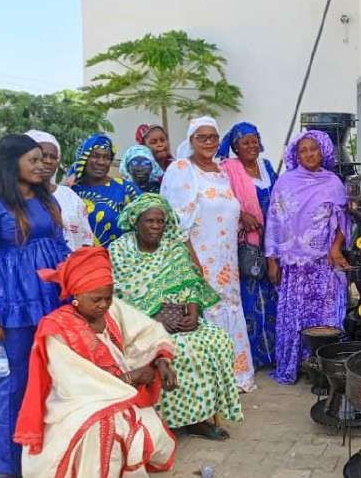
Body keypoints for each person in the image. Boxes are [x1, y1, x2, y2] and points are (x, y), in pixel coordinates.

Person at [0, 134, 71, 477]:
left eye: (43, 159)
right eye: (33, 160)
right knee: (15, 381)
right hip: (14, 305)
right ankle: (7, 464)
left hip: (51, 299)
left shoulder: (46, 200)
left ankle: (45, 456)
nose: (42, 165)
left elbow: (60, 249)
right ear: (12, 164)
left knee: (54, 375)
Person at [14, 247, 178, 477]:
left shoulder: (112, 309)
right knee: (104, 424)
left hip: (119, 392)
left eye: (108, 298)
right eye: (96, 299)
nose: (103, 305)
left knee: (136, 426)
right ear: (77, 295)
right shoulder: (57, 328)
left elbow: (147, 331)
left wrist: (162, 362)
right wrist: (131, 377)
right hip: (77, 403)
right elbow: (75, 384)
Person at [109, 194, 244, 439]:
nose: (156, 226)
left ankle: (199, 417)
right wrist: (153, 319)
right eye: (149, 221)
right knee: (179, 350)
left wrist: (192, 312)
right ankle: (160, 421)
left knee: (217, 341)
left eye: (160, 221)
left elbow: (191, 285)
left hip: (178, 318)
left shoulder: (173, 247)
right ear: (136, 222)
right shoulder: (120, 250)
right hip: (139, 324)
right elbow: (120, 295)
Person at [161, 116, 257, 391]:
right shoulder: (182, 170)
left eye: (213, 137)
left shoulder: (222, 171)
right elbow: (176, 222)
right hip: (198, 258)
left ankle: (233, 376)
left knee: (228, 307)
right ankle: (208, 382)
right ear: (191, 141)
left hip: (226, 259)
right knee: (203, 311)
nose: (208, 142)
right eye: (201, 137)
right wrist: (192, 261)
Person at [265, 130, 351, 384]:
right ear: (296, 155)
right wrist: (272, 260)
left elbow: (344, 221)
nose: (309, 154)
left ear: (323, 151)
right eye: (303, 150)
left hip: (324, 265)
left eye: (313, 149)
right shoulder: (285, 183)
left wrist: (336, 247)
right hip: (294, 267)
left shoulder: (333, 183)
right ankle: (297, 364)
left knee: (326, 316)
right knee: (296, 316)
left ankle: (325, 370)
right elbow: (274, 223)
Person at [218, 122, 279, 368]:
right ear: (235, 147)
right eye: (246, 143)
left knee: (273, 293)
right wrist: (242, 214)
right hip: (247, 243)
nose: (252, 146)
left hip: (272, 238)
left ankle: (274, 353)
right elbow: (224, 201)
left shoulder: (267, 167)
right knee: (250, 296)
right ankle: (254, 356)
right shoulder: (228, 170)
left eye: (255, 141)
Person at [24, 130, 94, 250]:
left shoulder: (70, 196)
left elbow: (86, 240)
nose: (48, 161)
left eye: (53, 157)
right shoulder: (17, 197)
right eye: (43, 156)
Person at [69, 134, 141, 247]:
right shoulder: (72, 192)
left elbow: (145, 223)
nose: (101, 162)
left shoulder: (126, 189)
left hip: (118, 256)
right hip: (79, 256)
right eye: (95, 156)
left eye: (106, 157)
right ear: (84, 158)